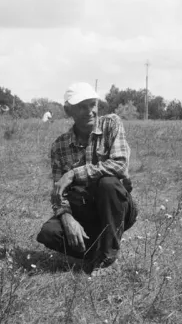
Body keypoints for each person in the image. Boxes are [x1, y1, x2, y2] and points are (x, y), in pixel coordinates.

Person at [36, 82, 137, 276]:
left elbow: (120, 165)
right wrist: (67, 218)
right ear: (68, 110)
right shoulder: (59, 146)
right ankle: (99, 249)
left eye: (92, 104)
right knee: (49, 233)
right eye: (82, 106)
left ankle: (107, 258)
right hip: (84, 210)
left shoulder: (111, 124)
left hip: (117, 207)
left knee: (108, 183)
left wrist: (74, 173)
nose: (90, 111)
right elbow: (59, 193)